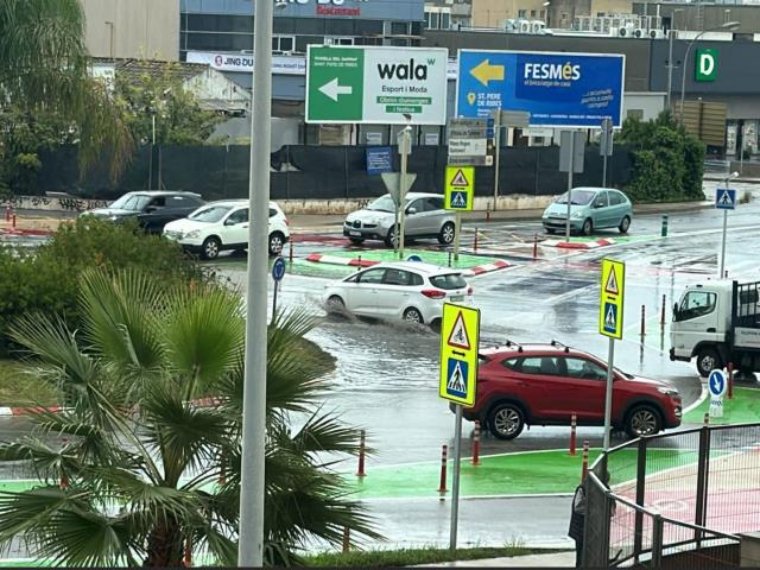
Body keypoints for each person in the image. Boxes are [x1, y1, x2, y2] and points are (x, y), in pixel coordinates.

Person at [568, 481, 586, 567]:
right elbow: (577, 507)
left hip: (583, 528)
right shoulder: (582, 489)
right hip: (580, 528)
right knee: (581, 554)